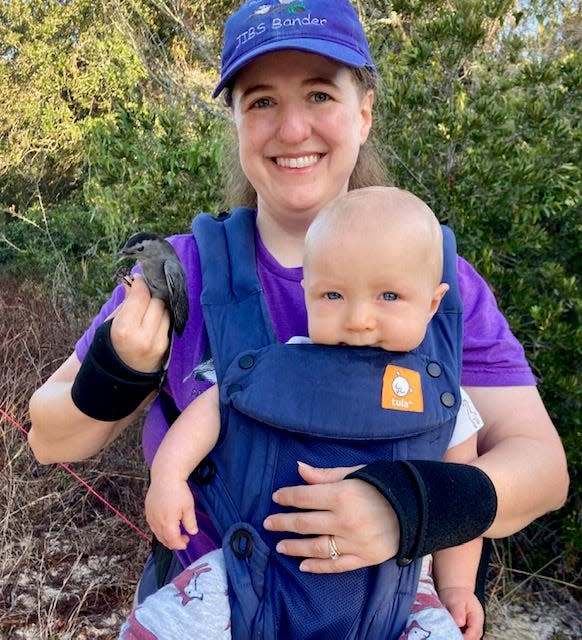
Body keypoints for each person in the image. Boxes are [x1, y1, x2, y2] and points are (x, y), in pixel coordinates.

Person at [27, 0, 568, 636]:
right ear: (234, 122)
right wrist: (117, 369)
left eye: (318, 94)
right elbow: (48, 436)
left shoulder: (441, 288)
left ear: (362, 114)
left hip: (383, 615)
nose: (291, 130)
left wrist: (410, 507)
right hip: (219, 610)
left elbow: (543, 470)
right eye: (260, 101)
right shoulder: (182, 273)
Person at [122, 186, 485, 639]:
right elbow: (215, 407)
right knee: (168, 622)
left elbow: (458, 490)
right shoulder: (284, 364)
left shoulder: (440, 396)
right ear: (307, 292)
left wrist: (457, 586)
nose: (358, 319)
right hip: (255, 569)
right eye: (333, 295)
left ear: (433, 303)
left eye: (388, 296)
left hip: (398, 587)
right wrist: (169, 477)